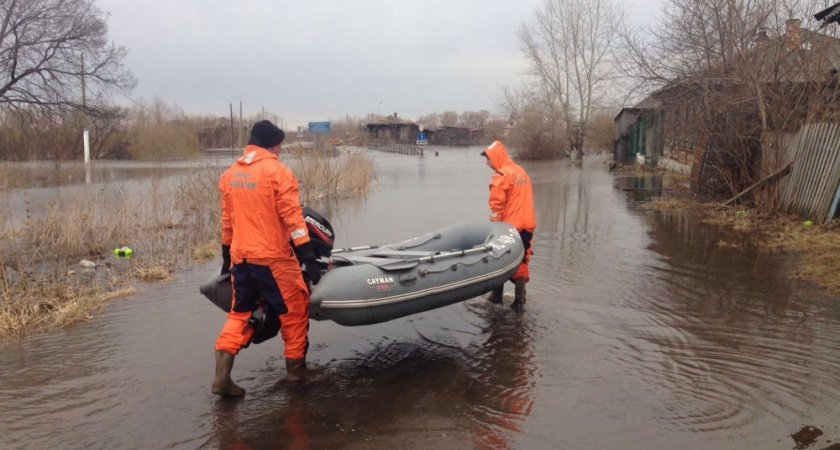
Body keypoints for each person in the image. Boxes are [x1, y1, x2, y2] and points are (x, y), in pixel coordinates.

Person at [212, 120, 323, 397]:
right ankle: (297, 374)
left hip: (241, 259)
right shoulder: (278, 173)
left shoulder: (230, 175)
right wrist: (309, 259)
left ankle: (221, 378)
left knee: (239, 313)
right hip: (273, 259)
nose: (281, 149)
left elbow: (227, 222)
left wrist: (226, 257)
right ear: (272, 143)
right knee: (295, 311)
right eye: (280, 144)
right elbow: (294, 220)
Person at [481, 140, 536, 311]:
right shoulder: (520, 172)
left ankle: (499, 298)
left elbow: (497, 205)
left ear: (496, 158)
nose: (487, 163)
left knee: (501, 257)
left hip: (512, 226)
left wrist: (495, 230)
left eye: (488, 159)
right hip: (528, 225)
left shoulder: (502, 176)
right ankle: (520, 298)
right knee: (522, 258)